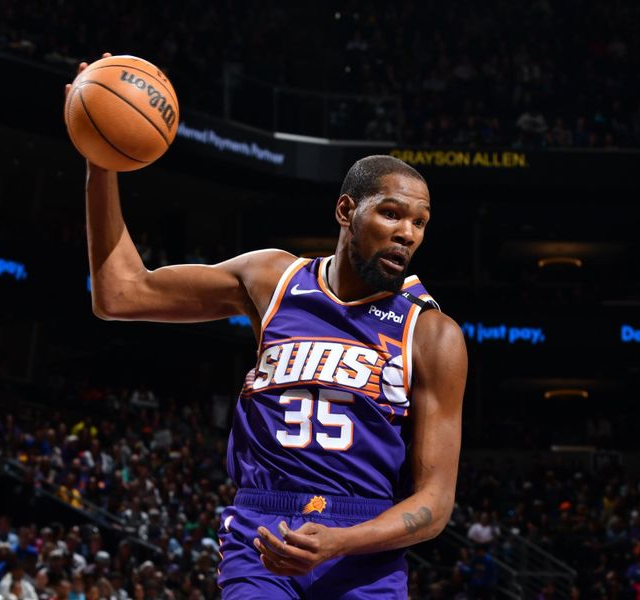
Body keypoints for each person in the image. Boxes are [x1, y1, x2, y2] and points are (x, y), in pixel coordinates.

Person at [68, 57, 466, 599]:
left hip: (363, 549)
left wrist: (341, 541)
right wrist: (101, 156)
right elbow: (120, 294)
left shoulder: (431, 333)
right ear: (346, 210)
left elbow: (434, 505)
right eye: (391, 214)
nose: (407, 233)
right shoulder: (272, 279)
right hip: (263, 530)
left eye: (419, 223)